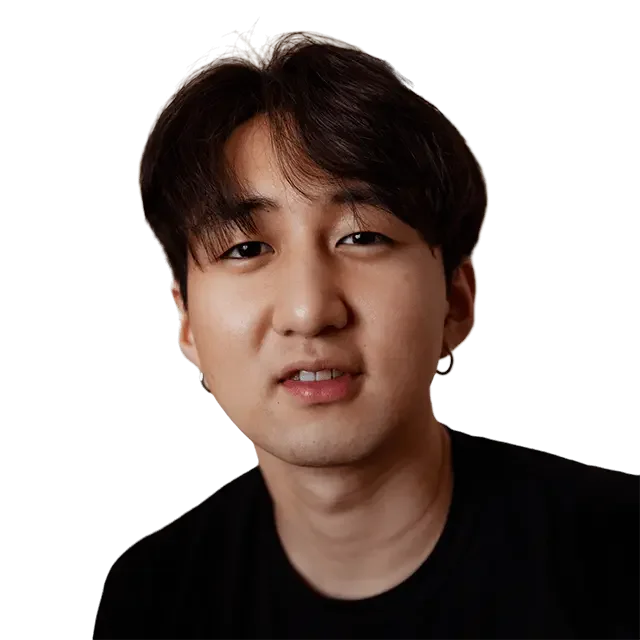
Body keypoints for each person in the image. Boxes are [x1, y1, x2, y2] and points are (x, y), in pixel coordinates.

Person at [95, 32, 637, 638]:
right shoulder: (153, 603)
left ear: (456, 302)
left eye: (362, 237)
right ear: (188, 323)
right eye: (246, 248)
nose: (309, 311)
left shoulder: (621, 557)